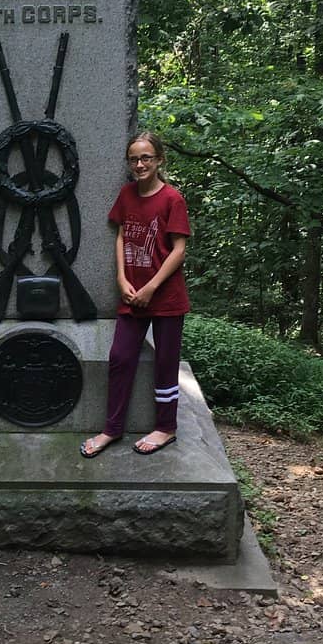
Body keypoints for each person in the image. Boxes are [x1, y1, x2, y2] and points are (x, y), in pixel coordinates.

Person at [81, 132, 191, 457]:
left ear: (159, 161)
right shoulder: (127, 195)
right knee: (120, 358)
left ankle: (165, 428)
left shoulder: (173, 199)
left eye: (146, 158)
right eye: (134, 159)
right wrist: (121, 277)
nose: (140, 164)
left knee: (166, 363)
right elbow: (121, 234)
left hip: (166, 297)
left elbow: (179, 250)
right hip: (132, 296)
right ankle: (112, 429)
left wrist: (151, 287)